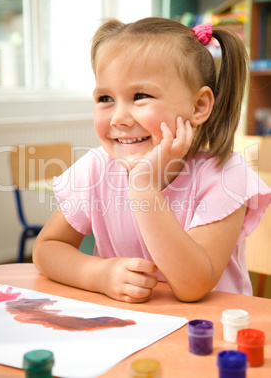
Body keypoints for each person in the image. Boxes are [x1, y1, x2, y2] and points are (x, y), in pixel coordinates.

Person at [33, 17, 271, 303]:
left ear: (199, 106)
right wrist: (99, 274)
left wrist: (145, 188)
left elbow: (193, 285)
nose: (119, 118)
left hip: (210, 334)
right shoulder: (97, 167)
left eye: (140, 96)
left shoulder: (225, 175)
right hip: (130, 328)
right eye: (105, 98)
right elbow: (47, 248)